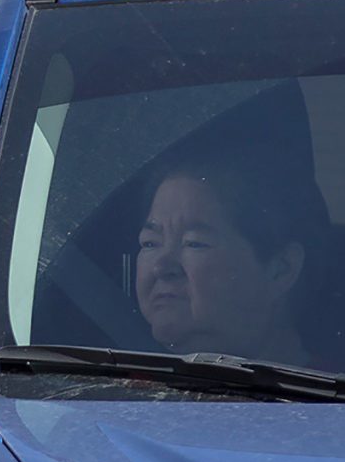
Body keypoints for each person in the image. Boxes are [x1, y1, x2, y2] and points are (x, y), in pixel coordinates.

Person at [134, 146, 321, 363]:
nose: (161, 267)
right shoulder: (113, 390)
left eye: (194, 243)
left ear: (281, 269)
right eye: (150, 243)